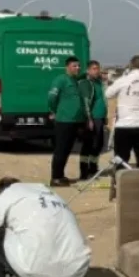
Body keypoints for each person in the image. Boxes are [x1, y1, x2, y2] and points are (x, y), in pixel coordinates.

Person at [105, 55, 139, 168]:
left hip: (124, 125)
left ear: (131, 65)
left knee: (121, 158)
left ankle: (120, 181)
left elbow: (108, 94)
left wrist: (123, 76)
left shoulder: (123, 80)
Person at [47, 57, 86, 187]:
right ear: (67, 67)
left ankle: (61, 175)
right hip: (64, 120)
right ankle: (56, 177)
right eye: (75, 66)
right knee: (61, 149)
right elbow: (52, 97)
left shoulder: (75, 81)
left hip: (75, 121)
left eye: (79, 66)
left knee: (67, 149)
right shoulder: (61, 80)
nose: (78, 68)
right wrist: (53, 110)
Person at [78, 60, 108, 180]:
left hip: (100, 117)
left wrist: (104, 117)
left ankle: (93, 168)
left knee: (98, 144)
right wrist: (89, 118)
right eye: (94, 69)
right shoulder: (86, 83)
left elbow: (103, 101)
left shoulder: (99, 83)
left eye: (98, 68)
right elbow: (85, 102)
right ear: (88, 70)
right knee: (88, 145)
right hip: (92, 118)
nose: (97, 71)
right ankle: (84, 172)